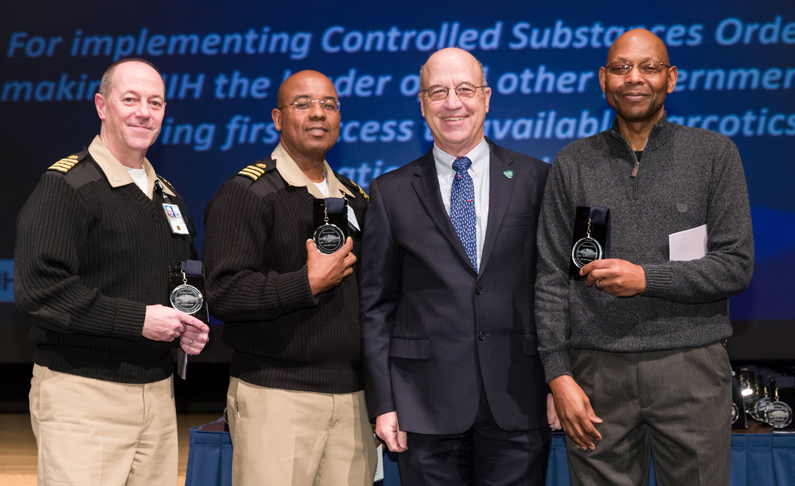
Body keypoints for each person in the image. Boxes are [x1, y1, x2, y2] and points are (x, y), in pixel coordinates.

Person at [536, 29, 754, 486]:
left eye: (649, 67)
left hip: (690, 366)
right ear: (603, 79)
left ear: (671, 79)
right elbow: (551, 278)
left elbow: (736, 264)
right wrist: (558, 374)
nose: (634, 79)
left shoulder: (714, 155)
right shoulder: (571, 163)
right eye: (621, 68)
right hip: (595, 374)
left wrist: (645, 279)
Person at [360, 47, 555, 485]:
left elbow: (555, 289)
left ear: (486, 97)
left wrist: (558, 382)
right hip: (424, 405)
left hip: (518, 397)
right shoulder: (389, 192)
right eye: (438, 91)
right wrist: (385, 402)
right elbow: (375, 307)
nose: (453, 102)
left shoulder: (536, 179)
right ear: (422, 103)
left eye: (464, 89)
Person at [15, 58, 210, 485]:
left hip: (157, 395)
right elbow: (39, 288)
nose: (144, 111)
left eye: (155, 102)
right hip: (83, 393)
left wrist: (188, 323)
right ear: (102, 106)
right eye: (131, 99)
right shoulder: (67, 186)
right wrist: (139, 320)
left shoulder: (167, 195)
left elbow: (179, 278)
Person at [203, 70, 376, 486]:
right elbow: (223, 292)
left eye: (329, 104)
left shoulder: (355, 198)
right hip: (276, 399)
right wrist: (306, 284)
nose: (318, 113)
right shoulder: (248, 193)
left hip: (353, 401)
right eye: (303, 104)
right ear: (278, 118)